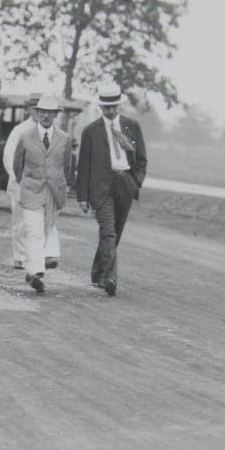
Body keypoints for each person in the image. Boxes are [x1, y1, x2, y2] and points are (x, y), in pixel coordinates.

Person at [75, 82, 148, 296]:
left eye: (114, 106)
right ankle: (110, 278)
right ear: (100, 107)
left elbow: (142, 159)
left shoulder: (132, 126)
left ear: (119, 106)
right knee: (108, 231)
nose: (111, 111)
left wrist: (136, 181)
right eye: (106, 107)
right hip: (100, 188)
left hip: (125, 184)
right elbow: (84, 165)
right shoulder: (91, 131)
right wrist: (83, 196)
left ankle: (98, 272)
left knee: (115, 233)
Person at [13, 95, 72, 294]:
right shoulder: (25, 136)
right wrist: (27, 182)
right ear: (37, 113)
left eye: (50, 113)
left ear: (55, 115)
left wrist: (62, 185)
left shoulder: (64, 139)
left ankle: (31, 269)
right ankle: (37, 273)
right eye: (42, 112)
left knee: (46, 230)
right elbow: (17, 165)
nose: (46, 116)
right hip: (31, 189)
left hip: (53, 191)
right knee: (34, 230)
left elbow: (67, 166)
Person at [1, 93, 39, 270]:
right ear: (29, 110)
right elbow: (9, 156)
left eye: (42, 109)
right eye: (35, 109)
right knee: (20, 221)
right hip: (20, 181)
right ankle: (20, 256)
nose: (39, 113)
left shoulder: (50, 131)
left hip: (40, 184)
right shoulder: (20, 130)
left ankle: (35, 255)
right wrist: (16, 177)